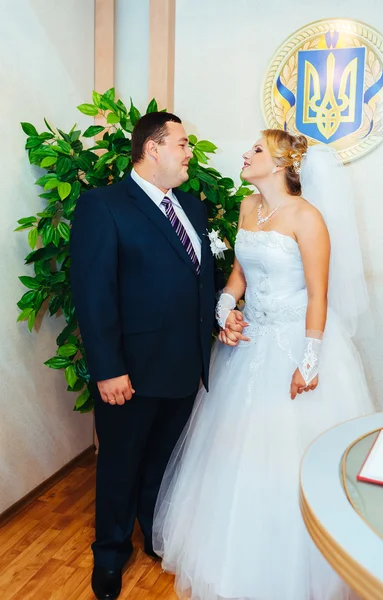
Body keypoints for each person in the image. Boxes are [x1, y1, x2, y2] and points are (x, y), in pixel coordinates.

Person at [153, 129, 374, 600]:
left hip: (294, 345)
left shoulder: (307, 218)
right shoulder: (248, 207)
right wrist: (223, 310)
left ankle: (291, 566)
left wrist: (310, 361)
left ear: (278, 164)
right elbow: (238, 274)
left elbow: (319, 295)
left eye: (255, 149)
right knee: (236, 449)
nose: (245, 154)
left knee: (285, 452)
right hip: (248, 342)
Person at [70, 112, 216, 600]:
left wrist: (218, 324)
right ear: (152, 149)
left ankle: (155, 534)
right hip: (129, 372)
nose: (189, 152)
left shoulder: (192, 207)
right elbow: (94, 295)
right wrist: (109, 369)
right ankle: (110, 552)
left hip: (183, 365)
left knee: (162, 460)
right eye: (182, 143)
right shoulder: (103, 206)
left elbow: (199, 281)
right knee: (119, 462)